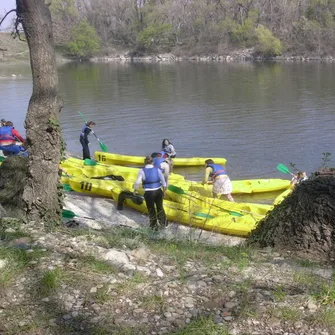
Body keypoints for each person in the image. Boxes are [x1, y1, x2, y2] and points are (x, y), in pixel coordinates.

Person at [134, 156, 167, 230]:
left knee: (151, 209)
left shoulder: (142, 171)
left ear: (144, 162)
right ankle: (164, 224)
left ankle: (154, 227)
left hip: (149, 193)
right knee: (160, 207)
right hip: (158, 191)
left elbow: (137, 182)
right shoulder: (157, 169)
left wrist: (135, 190)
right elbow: (163, 181)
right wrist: (164, 191)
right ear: (153, 162)